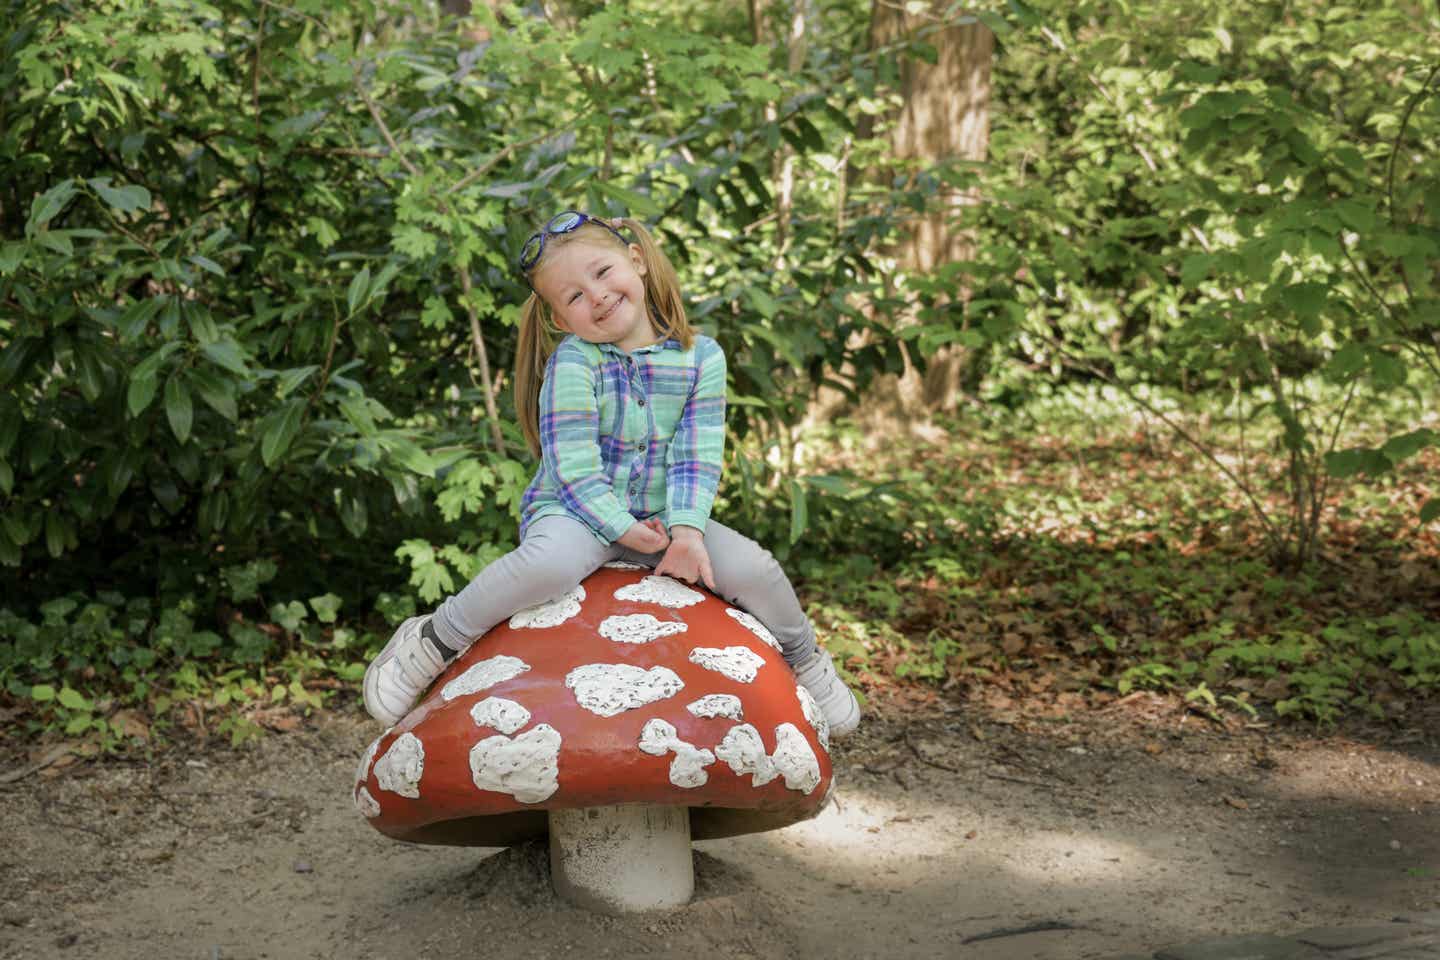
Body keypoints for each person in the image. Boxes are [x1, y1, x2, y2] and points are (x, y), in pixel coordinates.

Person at [363, 210, 861, 738]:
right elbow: (572, 465)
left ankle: (804, 659)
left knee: (755, 569)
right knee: (548, 563)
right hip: (577, 511)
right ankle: (434, 638)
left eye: (602, 273)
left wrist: (689, 532)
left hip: (667, 516)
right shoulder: (574, 362)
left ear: (637, 261)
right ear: (560, 320)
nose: (595, 296)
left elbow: (696, 455)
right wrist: (620, 527)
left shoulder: (701, 358)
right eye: (573, 296)